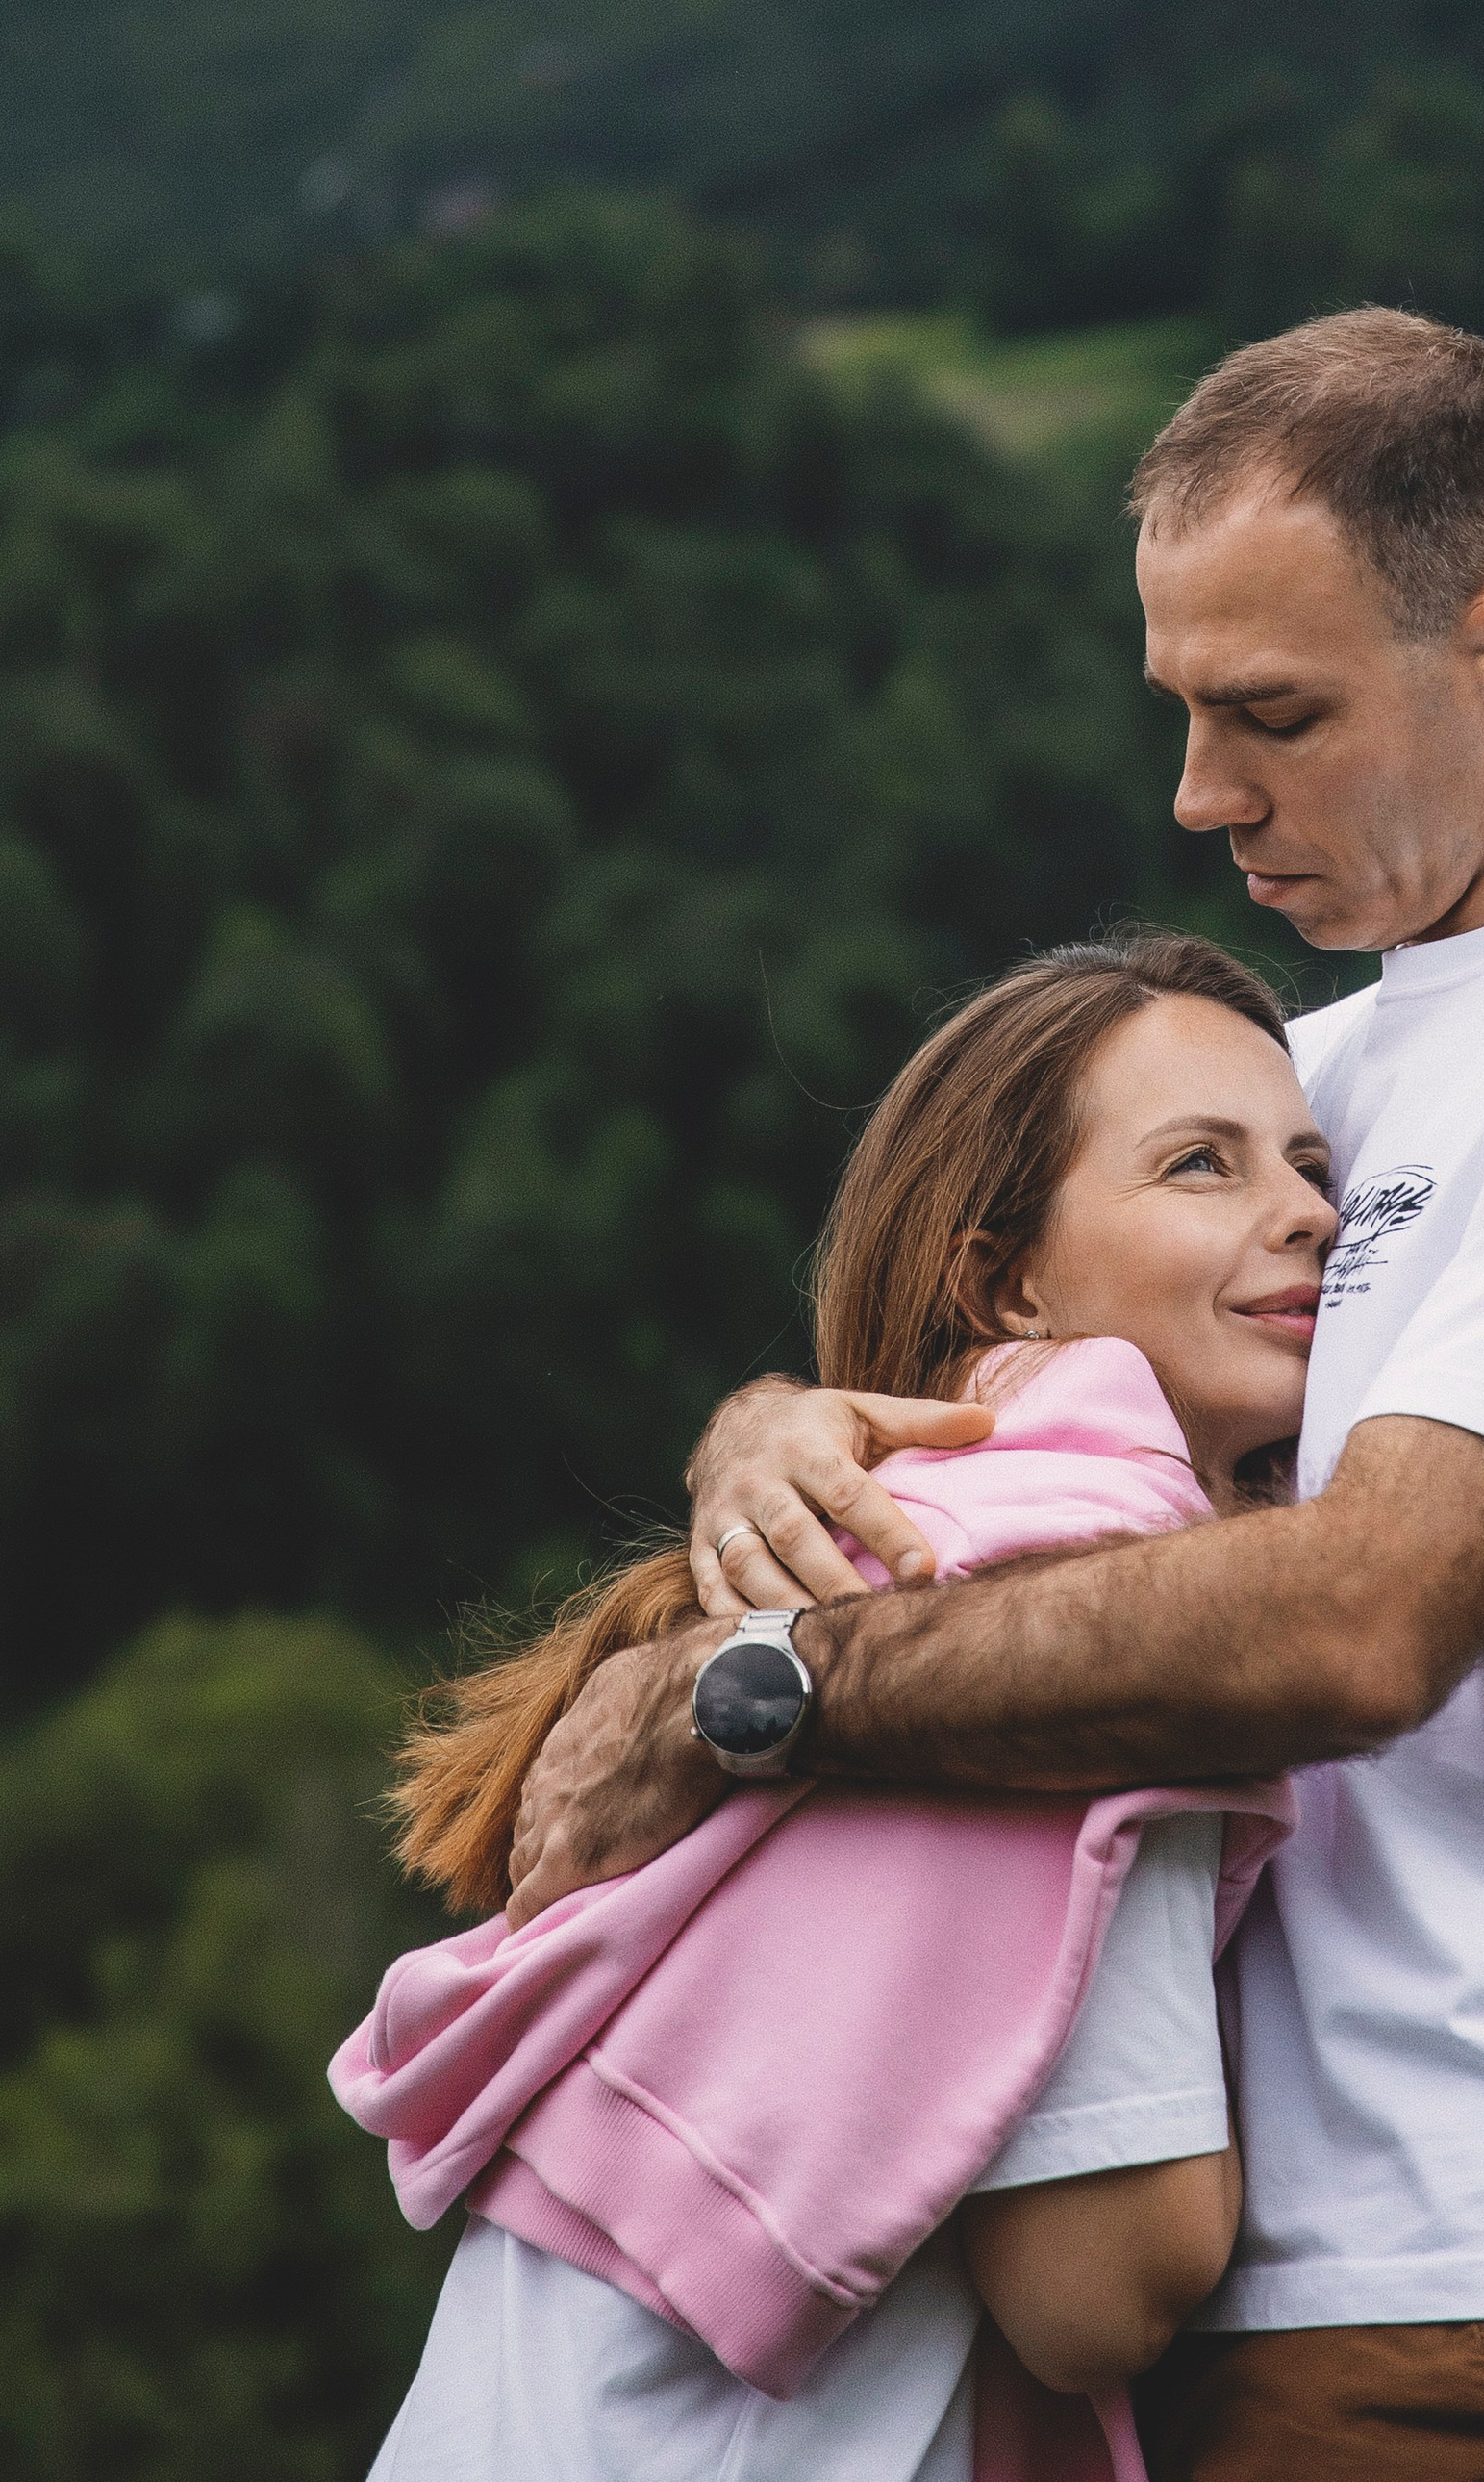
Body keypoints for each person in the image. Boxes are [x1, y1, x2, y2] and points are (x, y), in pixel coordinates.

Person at [509, 310, 1484, 2482]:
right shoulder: (1311, 1089)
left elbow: (1360, 1621)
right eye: (1180, 711)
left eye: (1274, 715)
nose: (1198, 794)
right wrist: (769, 1430)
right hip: (1198, 2274)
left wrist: (762, 1690)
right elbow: (1001, 1422)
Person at [348, 931, 1330, 2482]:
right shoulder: (1078, 1578)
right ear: (1002, 1278)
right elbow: (1102, 2282)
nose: (1308, 1214)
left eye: (1311, 1161)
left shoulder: (900, 1537)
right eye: (1201, 1166)